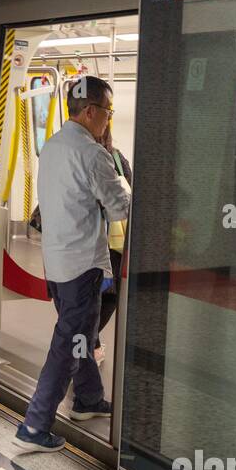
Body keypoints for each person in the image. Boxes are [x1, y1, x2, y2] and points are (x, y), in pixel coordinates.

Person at [15, 76, 129, 453]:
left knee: (79, 331)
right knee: (70, 343)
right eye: (108, 112)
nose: (108, 120)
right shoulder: (93, 153)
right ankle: (34, 425)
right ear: (92, 111)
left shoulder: (52, 147)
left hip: (57, 262)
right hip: (83, 265)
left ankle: (88, 398)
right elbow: (120, 208)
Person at [94, 122, 132, 366]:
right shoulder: (117, 160)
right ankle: (91, 341)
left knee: (88, 296)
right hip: (112, 243)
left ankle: (90, 341)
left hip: (85, 242)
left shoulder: (73, 158)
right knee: (110, 295)